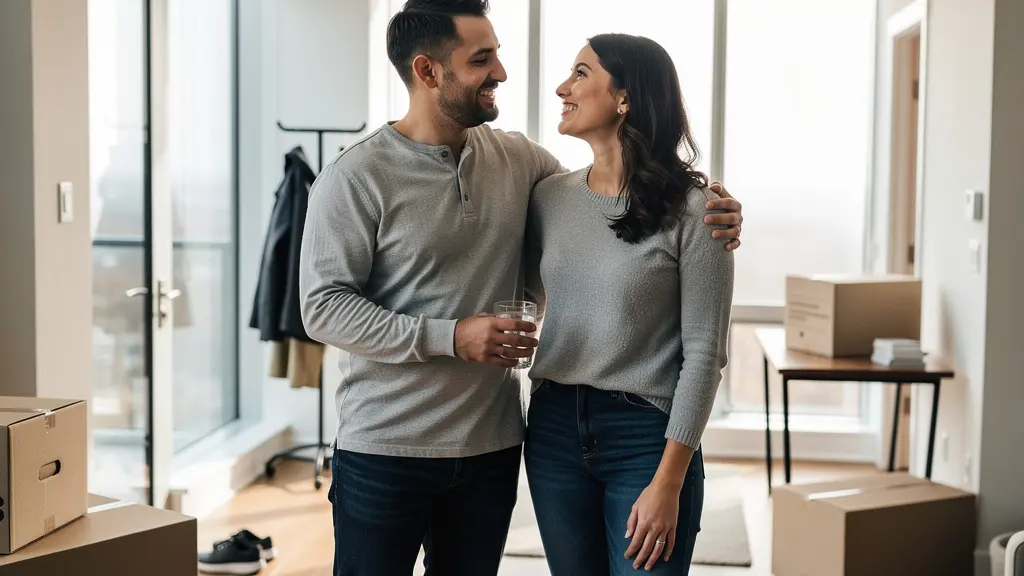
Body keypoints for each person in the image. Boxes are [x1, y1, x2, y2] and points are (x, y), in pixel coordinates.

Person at [297, 1, 742, 575]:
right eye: (482, 59)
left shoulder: (522, 165)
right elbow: (322, 308)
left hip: (493, 447)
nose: (502, 72)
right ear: (429, 71)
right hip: (388, 447)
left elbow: (621, 199)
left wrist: (717, 213)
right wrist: (452, 337)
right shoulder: (356, 176)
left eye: (499, 54)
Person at [522, 33, 735, 575]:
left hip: (647, 436)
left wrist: (669, 482)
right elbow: (522, 292)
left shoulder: (698, 210)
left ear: (626, 98)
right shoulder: (548, 198)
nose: (562, 88)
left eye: (581, 73)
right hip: (553, 430)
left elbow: (706, 353)